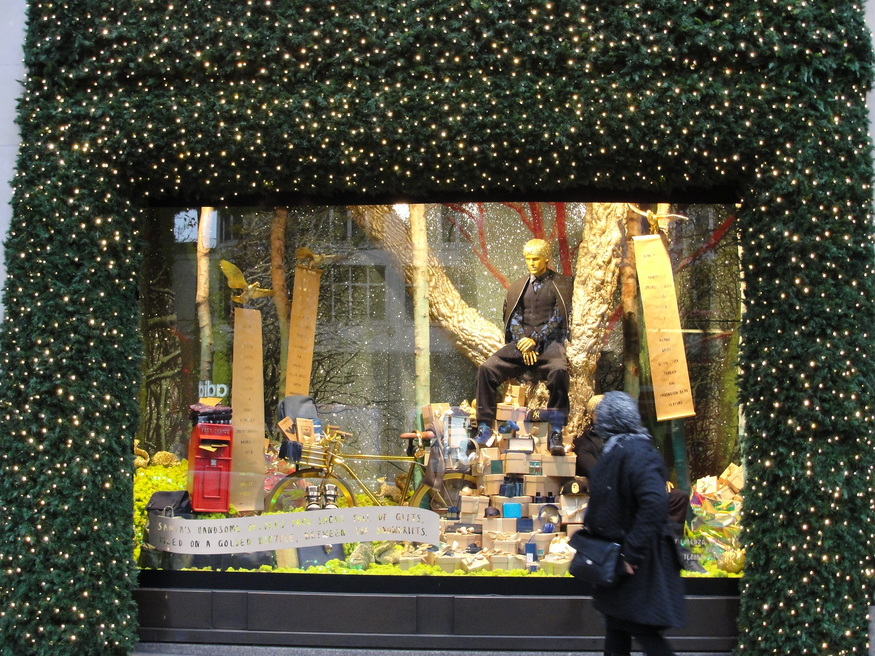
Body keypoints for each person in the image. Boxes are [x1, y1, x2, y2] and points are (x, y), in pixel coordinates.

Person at [583, 391, 685, 656]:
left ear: (607, 421)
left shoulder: (632, 451)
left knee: (642, 631)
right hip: (622, 559)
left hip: (638, 562)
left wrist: (631, 552)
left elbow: (654, 502)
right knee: (618, 627)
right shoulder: (620, 449)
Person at [473, 239, 573, 454]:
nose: (531, 263)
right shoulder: (519, 286)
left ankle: (556, 429)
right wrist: (522, 342)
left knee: (559, 372)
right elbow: (514, 316)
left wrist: (535, 339)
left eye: (536, 259)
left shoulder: (562, 284)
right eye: (528, 259)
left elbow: (558, 318)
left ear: (546, 258)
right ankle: (484, 427)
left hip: (549, 345)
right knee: (487, 369)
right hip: (521, 345)